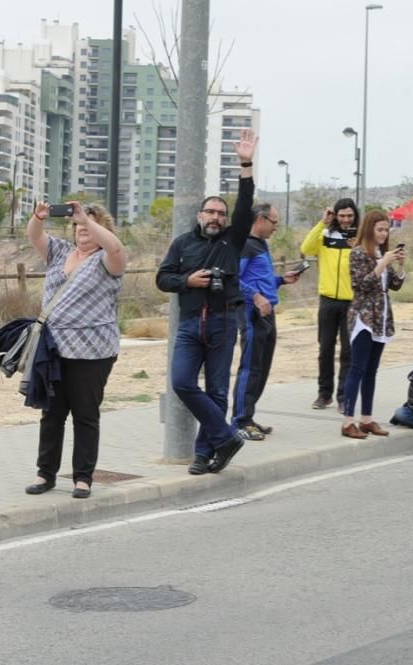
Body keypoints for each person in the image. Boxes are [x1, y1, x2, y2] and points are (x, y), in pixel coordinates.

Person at [156, 128, 257, 475]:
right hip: (188, 324)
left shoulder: (232, 239)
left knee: (216, 390)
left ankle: (204, 453)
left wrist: (246, 163)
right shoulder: (183, 243)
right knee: (182, 382)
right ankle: (226, 436)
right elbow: (162, 278)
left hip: (222, 320)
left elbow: (246, 204)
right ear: (199, 215)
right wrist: (187, 280)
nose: (215, 217)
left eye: (220, 214)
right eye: (209, 212)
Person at [24, 201, 127, 499]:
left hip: (93, 351)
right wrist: (38, 217)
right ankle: (46, 473)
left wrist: (89, 219)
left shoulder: (107, 259)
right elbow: (35, 236)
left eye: (88, 224)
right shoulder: (59, 252)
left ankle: (83, 478)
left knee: (85, 414)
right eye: (77, 224)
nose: (81, 228)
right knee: (52, 413)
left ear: (102, 228)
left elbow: (117, 250)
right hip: (54, 347)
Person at [231, 203, 302, 440]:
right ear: (260, 219)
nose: (275, 228)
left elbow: (259, 278)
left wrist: (281, 279)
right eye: (274, 223)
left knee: (262, 368)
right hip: (251, 313)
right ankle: (239, 421)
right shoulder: (244, 245)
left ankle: (248, 417)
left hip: (267, 313)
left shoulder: (260, 244)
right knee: (250, 368)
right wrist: (256, 296)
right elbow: (234, 280)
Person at [340, 209, 404, 439]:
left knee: (371, 370)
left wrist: (399, 265)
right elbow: (361, 285)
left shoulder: (382, 252)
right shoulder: (358, 253)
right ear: (369, 229)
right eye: (380, 229)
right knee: (357, 367)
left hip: (382, 317)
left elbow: (395, 285)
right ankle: (348, 421)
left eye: (387, 230)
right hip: (363, 317)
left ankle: (366, 418)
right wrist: (381, 264)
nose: (384, 234)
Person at [300, 198, 360, 411]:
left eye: (349, 216)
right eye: (341, 215)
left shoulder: (359, 238)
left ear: (355, 216)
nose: (345, 220)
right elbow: (306, 248)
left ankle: (344, 396)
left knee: (348, 352)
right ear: (335, 215)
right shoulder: (326, 235)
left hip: (351, 302)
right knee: (325, 349)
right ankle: (324, 394)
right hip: (327, 301)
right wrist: (322, 222)